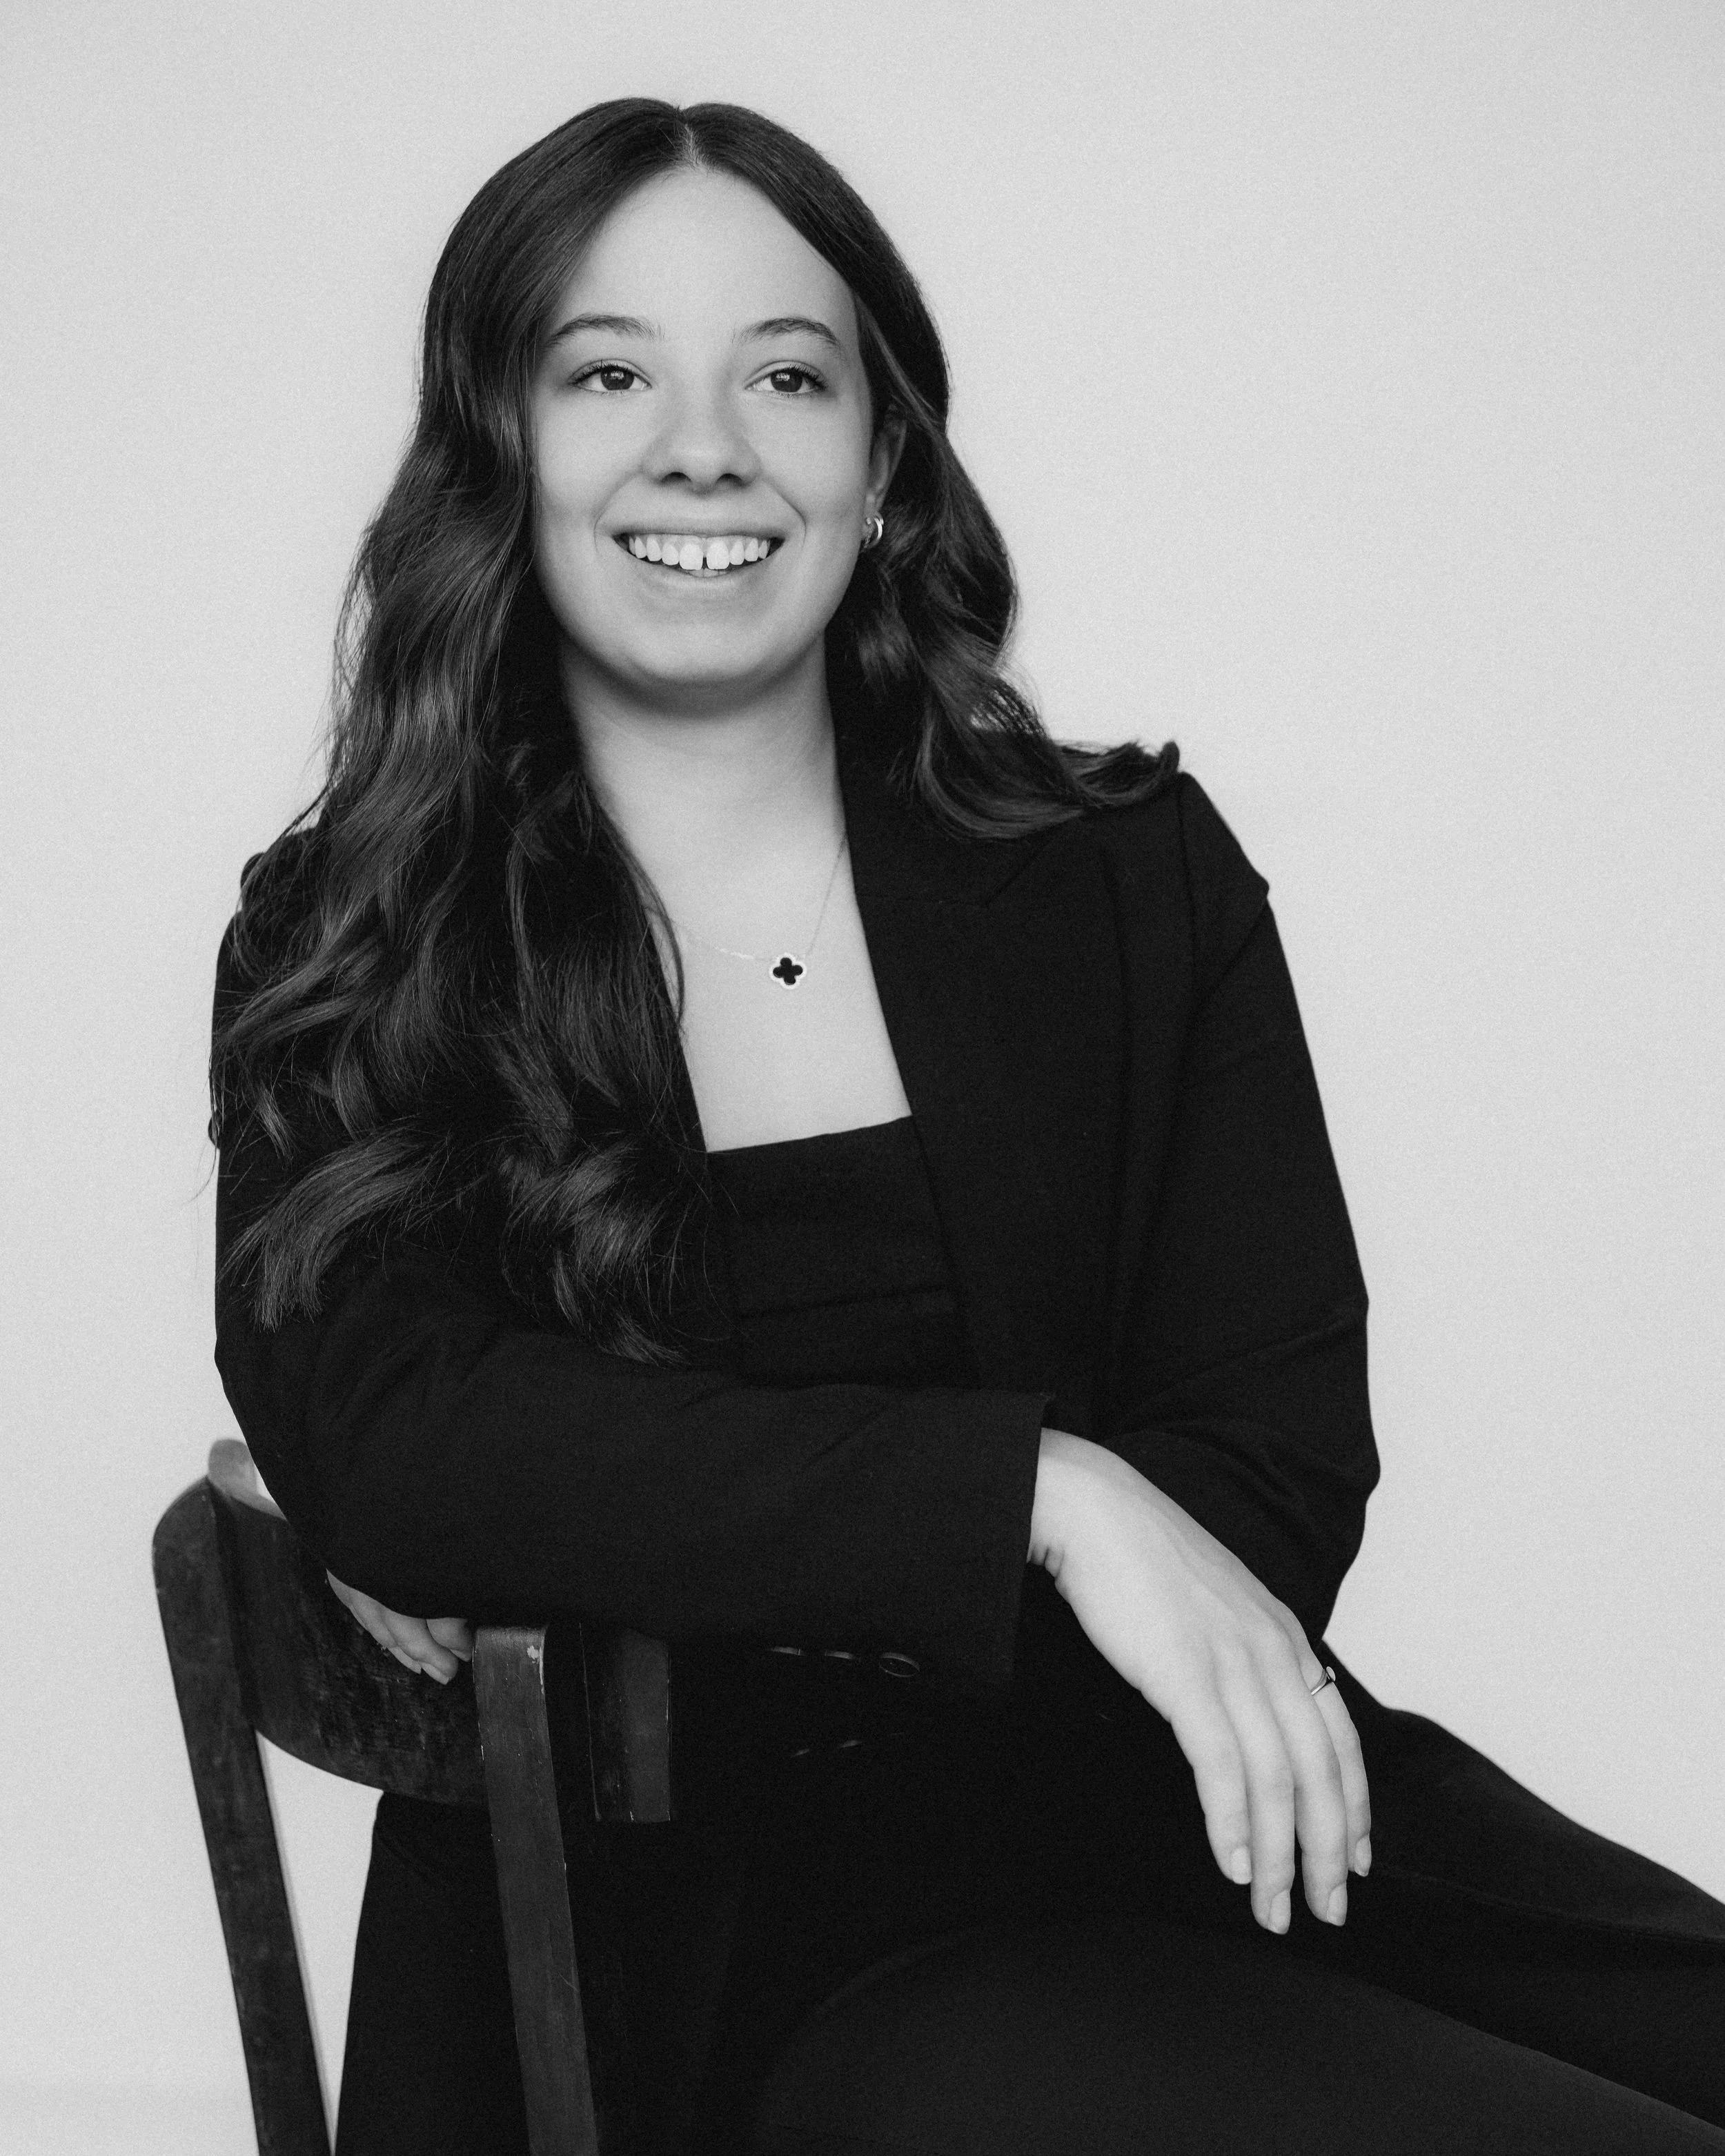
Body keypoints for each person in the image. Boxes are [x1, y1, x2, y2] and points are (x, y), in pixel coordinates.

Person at [209, 99, 1725, 2156]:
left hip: (1215, 1822)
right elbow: (398, 1440)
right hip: (726, 1972)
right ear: (501, 452)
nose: (704, 443)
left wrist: (665, 1504)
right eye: (605, 372)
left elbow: (1272, 1454)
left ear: (881, 459)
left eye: (787, 373)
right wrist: (1046, 1496)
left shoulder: (1122, 872)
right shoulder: (367, 932)